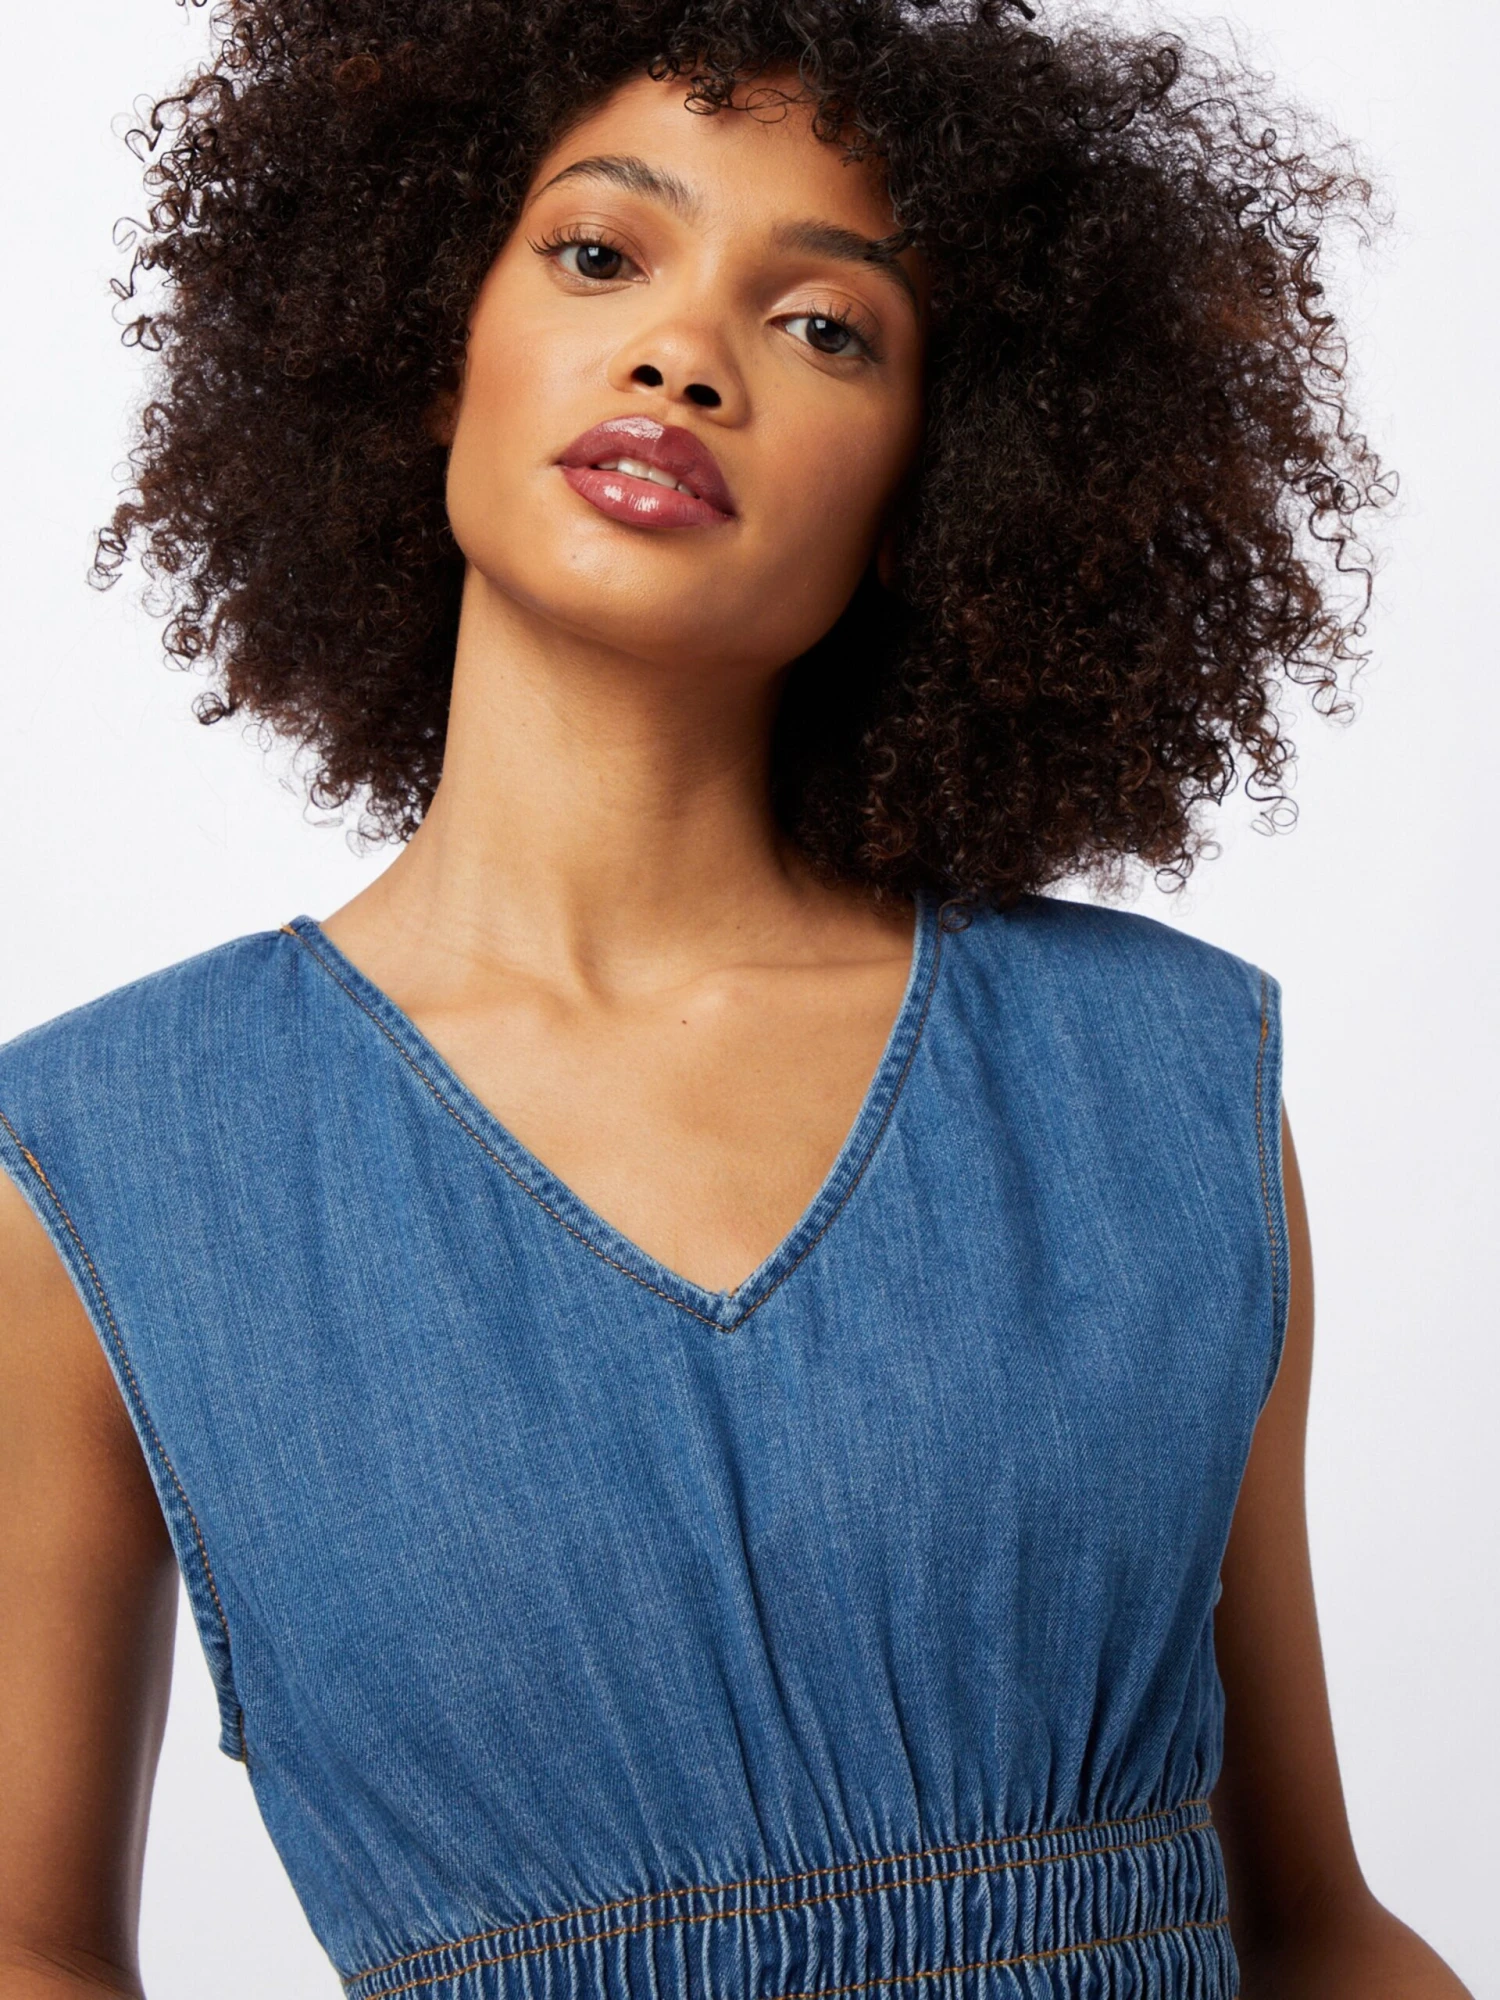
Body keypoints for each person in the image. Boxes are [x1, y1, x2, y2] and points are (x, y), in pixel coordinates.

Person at [0, 0, 1473, 1994]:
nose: (685, 353)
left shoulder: (1156, 1080)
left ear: (934, 492)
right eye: (599, 252)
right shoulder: (106, 1170)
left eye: (827, 327)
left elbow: (1319, 1937)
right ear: (426, 352)